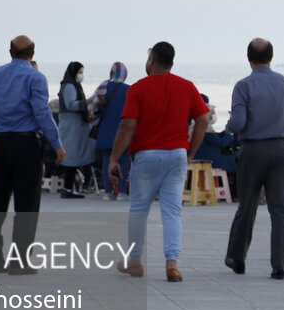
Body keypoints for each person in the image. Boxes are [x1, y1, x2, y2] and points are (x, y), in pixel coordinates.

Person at [109, 41, 209, 282]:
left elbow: (128, 125)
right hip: (177, 155)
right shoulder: (187, 87)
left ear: (151, 60)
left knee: (139, 210)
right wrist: (190, 153)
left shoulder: (138, 89)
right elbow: (203, 119)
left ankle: (134, 262)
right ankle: (172, 264)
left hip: (146, 156)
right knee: (172, 211)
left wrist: (114, 158)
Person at [0, 36, 65, 275]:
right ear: (32, 53)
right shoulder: (36, 77)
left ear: (10, 51)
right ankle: (19, 261)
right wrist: (57, 144)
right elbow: (42, 113)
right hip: (27, 145)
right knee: (26, 204)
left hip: (0, 144)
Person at [224, 39, 284, 279]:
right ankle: (279, 265)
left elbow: (238, 122)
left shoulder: (243, 86)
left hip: (253, 149)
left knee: (247, 205)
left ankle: (237, 258)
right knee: (280, 208)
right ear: (272, 56)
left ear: (248, 58)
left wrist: (228, 129)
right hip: (282, 148)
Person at [57, 61, 97, 198]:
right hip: (72, 128)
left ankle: (70, 188)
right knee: (72, 159)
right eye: (80, 72)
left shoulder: (73, 85)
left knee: (73, 159)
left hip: (74, 127)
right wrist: (87, 102)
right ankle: (68, 189)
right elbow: (70, 104)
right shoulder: (69, 86)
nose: (81, 75)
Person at [91, 62, 130, 200]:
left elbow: (95, 106)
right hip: (123, 131)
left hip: (105, 130)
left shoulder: (104, 86)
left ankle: (107, 192)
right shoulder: (129, 89)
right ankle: (120, 192)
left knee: (107, 161)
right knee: (123, 161)